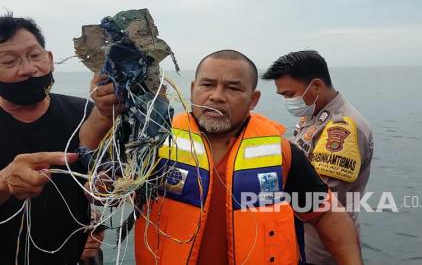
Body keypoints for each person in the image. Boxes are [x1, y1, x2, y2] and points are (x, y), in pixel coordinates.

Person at [133, 49, 363, 264]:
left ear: (253, 99)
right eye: (207, 85)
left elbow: (326, 214)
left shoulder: (282, 153)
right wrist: (104, 116)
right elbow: (103, 189)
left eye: (233, 88)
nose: (217, 96)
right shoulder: (152, 142)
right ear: (193, 89)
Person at [0, 12, 117, 264]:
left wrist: (106, 194)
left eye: (35, 55)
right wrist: (4, 184)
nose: (29, 69)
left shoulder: (86, 112)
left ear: (51, 59)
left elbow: (109, 184)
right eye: (9, 61)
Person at [263, 50, 374, 264]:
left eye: (289, 94)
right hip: (300, 238)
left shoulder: (343, 128)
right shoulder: (313, 115)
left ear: (315, 86)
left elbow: (320, 197)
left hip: (320, 249)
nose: (287, 101)